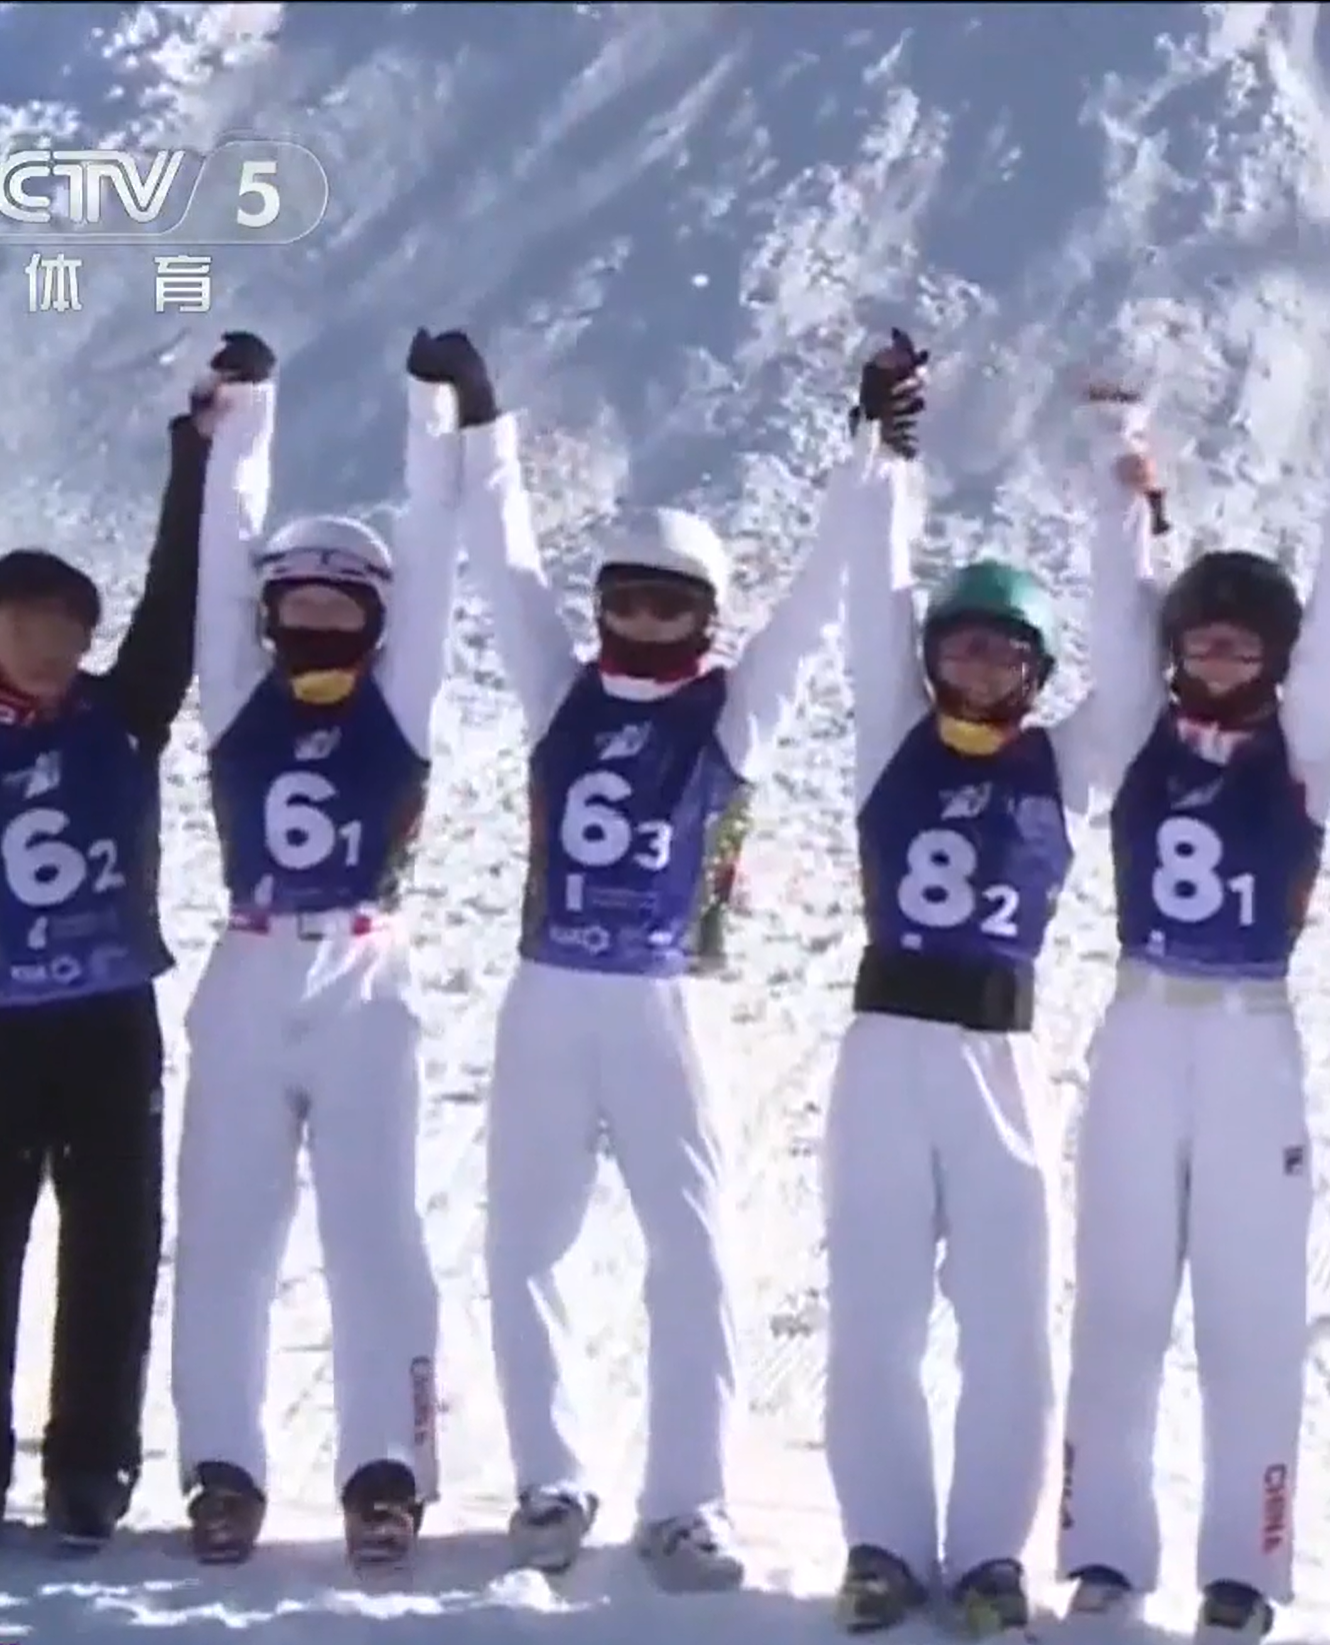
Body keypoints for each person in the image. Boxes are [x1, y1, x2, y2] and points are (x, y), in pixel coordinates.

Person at [1056, 365, 1330, 1644]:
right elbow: (1118, 603)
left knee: (1250, 1307)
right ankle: (1104, 1548)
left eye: (1242, 645)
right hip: (1140, 1023)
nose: (1218, 659)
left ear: (1272, 660)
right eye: (1201, 640)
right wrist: (1121, 451)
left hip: (1249, 1034)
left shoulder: (1306, 744)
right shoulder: (1137, 726)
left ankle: (1247, 1562)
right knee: (1119, 1295)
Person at [465, 332, 854, 1590]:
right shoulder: (556, 687)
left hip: (669, 999)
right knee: (527, 1241)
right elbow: (502, 559)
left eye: (670, 603)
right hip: (548, 992)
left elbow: (818, 597)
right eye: (626, 597)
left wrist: (866, 448)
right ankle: (549, 1477)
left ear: (705, 615)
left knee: (695, 1248)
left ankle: (686, 1499)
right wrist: (485, 426)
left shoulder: (733, 709)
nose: (643, 619)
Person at [813, 334, 1163, 1639]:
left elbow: (1131, 667)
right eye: (959, 649)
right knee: (876, 1311)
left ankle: (990, 1553)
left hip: (1004, 1057)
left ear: (1033, 672)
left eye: (1002, 655)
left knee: (1008, 1320)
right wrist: (884, 447)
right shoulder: (888, 733)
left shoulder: (1063, 764)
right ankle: (881, 1544)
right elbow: (872, 593)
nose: (974, 669)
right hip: (885, 1045)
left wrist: (1117, 482)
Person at [0, 338, 218, 1559]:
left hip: (110, 1022)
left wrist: (197, 458)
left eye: (68, 623)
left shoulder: (123, 721)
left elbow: (176, 607)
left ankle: (90, 1468)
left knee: (114, 1248)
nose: (51, 641)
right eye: (27, 622)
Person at [168, 330, 480, 1567]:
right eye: (289, 606)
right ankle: (223, 1469)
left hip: (364, 974)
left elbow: (442, 560)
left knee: (375, 1232)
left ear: (374, 621)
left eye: (336, 609)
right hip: (247, 970)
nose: (310, 629)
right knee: (228, 1234)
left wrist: (430, 414)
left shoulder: (399, 705)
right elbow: (213, 557)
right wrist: (246, 416)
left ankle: (385, 1469)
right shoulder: (236, 691)